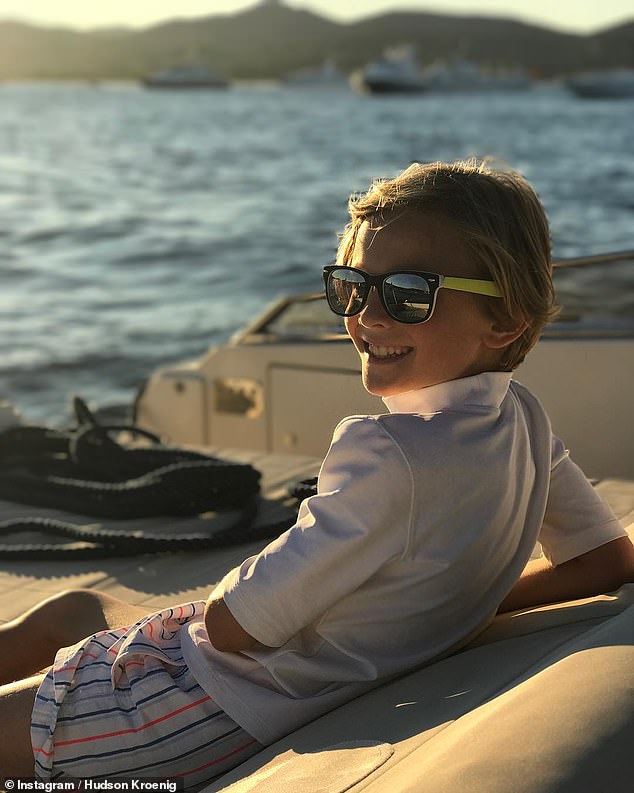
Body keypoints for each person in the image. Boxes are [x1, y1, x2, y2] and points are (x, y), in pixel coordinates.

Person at [1, 159, 633, 785]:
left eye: (409, 294)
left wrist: (464, 605)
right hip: (251, 684)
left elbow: (234, 626)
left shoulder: (386, 454)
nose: (368, 316)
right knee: (75, 611)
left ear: (506, 319)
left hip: (192, 712)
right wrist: (471, 605)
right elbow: (605, 559)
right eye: (352, 287)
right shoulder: (524, 419)